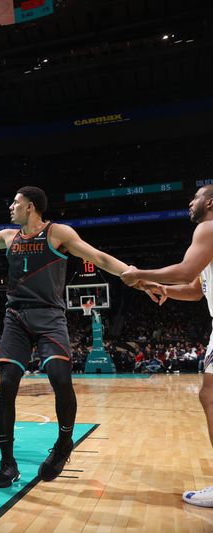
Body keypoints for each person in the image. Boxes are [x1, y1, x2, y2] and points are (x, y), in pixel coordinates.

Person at [0, 185, 154, 487]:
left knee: (61, 378)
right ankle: (8, 463)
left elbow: (98, 257)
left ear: (31, 207)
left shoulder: (58, 233)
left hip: (49, 316)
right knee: (7, 384)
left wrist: (134, 275)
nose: (10, 207)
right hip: (16, 317)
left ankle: (63, 446)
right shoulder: (10, 237)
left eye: (15, 202)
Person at [120, 185, 213, 507]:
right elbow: (194, 289)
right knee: (209, 395)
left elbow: (186, 270)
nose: (190, 202)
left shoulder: (209, 227)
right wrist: (162, 287)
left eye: (196, 197)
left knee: (210, 396)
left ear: (210, 203)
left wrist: (139, 273)